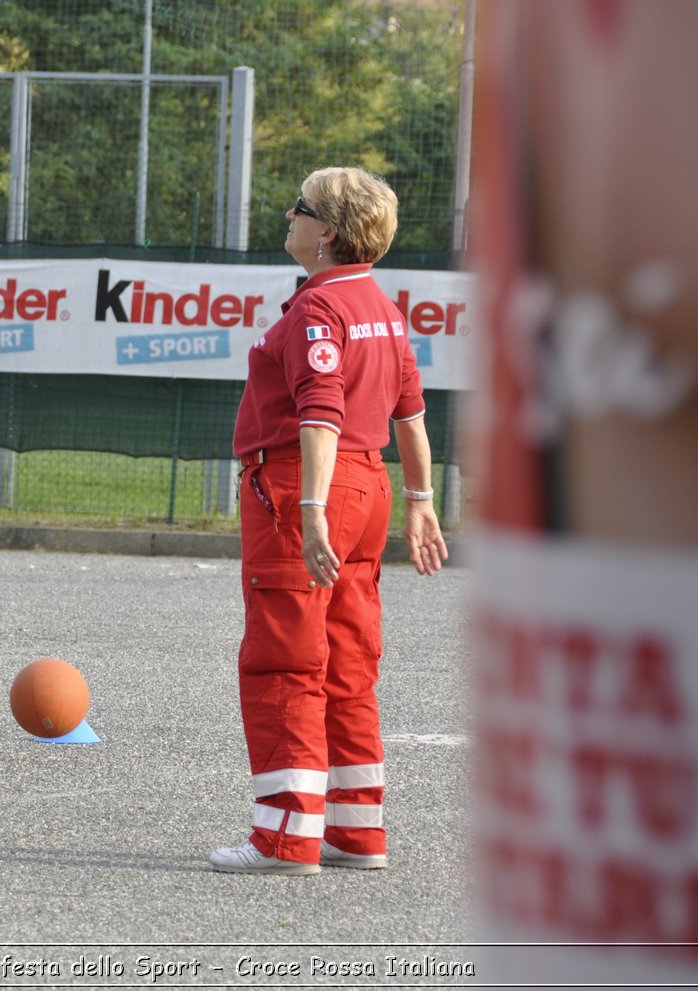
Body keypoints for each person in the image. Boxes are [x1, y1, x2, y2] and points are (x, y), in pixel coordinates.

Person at [211, 166, 447, 875]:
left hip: (307, 484)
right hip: (369, 485)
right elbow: (411, 416)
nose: (290, 215)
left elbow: (320, 413)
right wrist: (420, 498)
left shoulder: (319, 310)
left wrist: (309, 508)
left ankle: (283, 837)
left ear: (329, 233)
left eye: (301, 209)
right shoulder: (381, 305)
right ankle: (355, 830)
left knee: (285, 657)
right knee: (348, 662)